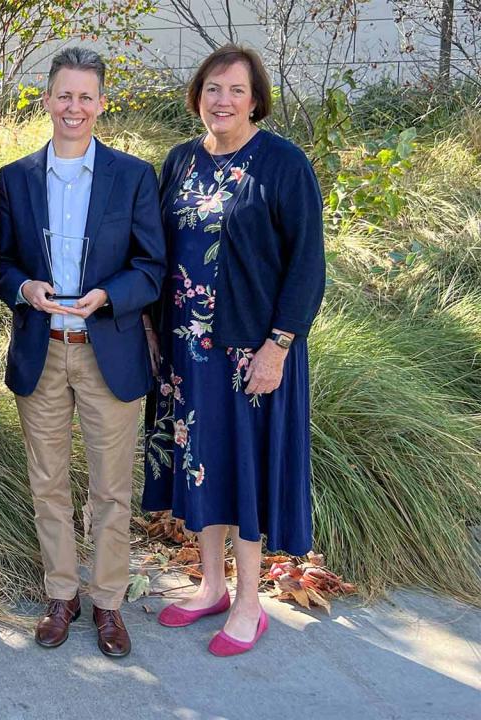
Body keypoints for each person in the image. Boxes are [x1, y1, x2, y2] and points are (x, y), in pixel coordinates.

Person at [142, 44, 325, 656]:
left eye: (235, 91)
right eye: (212, 89)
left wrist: (278, 346)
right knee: (202, 470)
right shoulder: (179, 161)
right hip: (186, 354)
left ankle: (250, 604)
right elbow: (158, 250)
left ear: (256, 100)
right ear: (197, 96)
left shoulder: (282, 163)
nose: (222, 101)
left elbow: (307, 266)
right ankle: (212, 587)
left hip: (250, 353)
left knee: (241, 475)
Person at [0, 47, 165, 658]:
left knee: (113, 490)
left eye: (86, 96)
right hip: (42, 349)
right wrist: (23, 288)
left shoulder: (133, 176)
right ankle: (61, 595)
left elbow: (151, 268)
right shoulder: (14, 178)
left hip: (106, 351)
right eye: (64, 95)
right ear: (46, 99)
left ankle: (109, 603)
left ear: (101, 103)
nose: (74, 107)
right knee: (49, 483)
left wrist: (106, 297)